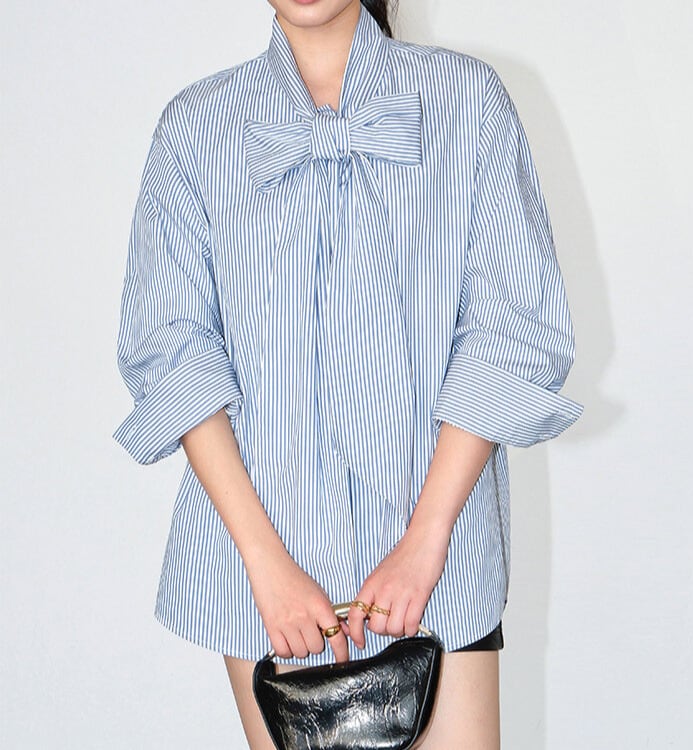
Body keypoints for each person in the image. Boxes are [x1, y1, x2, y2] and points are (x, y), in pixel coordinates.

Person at [112, 0, 583, 746]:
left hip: (441, 560)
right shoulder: (196, 127)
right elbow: (173, 352)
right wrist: (266, 564)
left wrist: (425, 541)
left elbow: (512, 330)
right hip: (262, 575)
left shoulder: (466, 101)